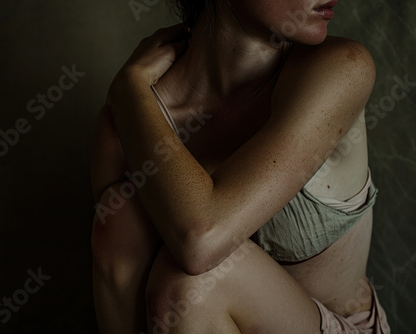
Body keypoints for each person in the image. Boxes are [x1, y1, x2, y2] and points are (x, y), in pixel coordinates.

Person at [91, 0, 391, 333]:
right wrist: (132, 99)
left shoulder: (341, 69)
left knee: (192, 289)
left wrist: (130, 90)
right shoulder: (127, 120)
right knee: (119, 223)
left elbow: (201, 240)